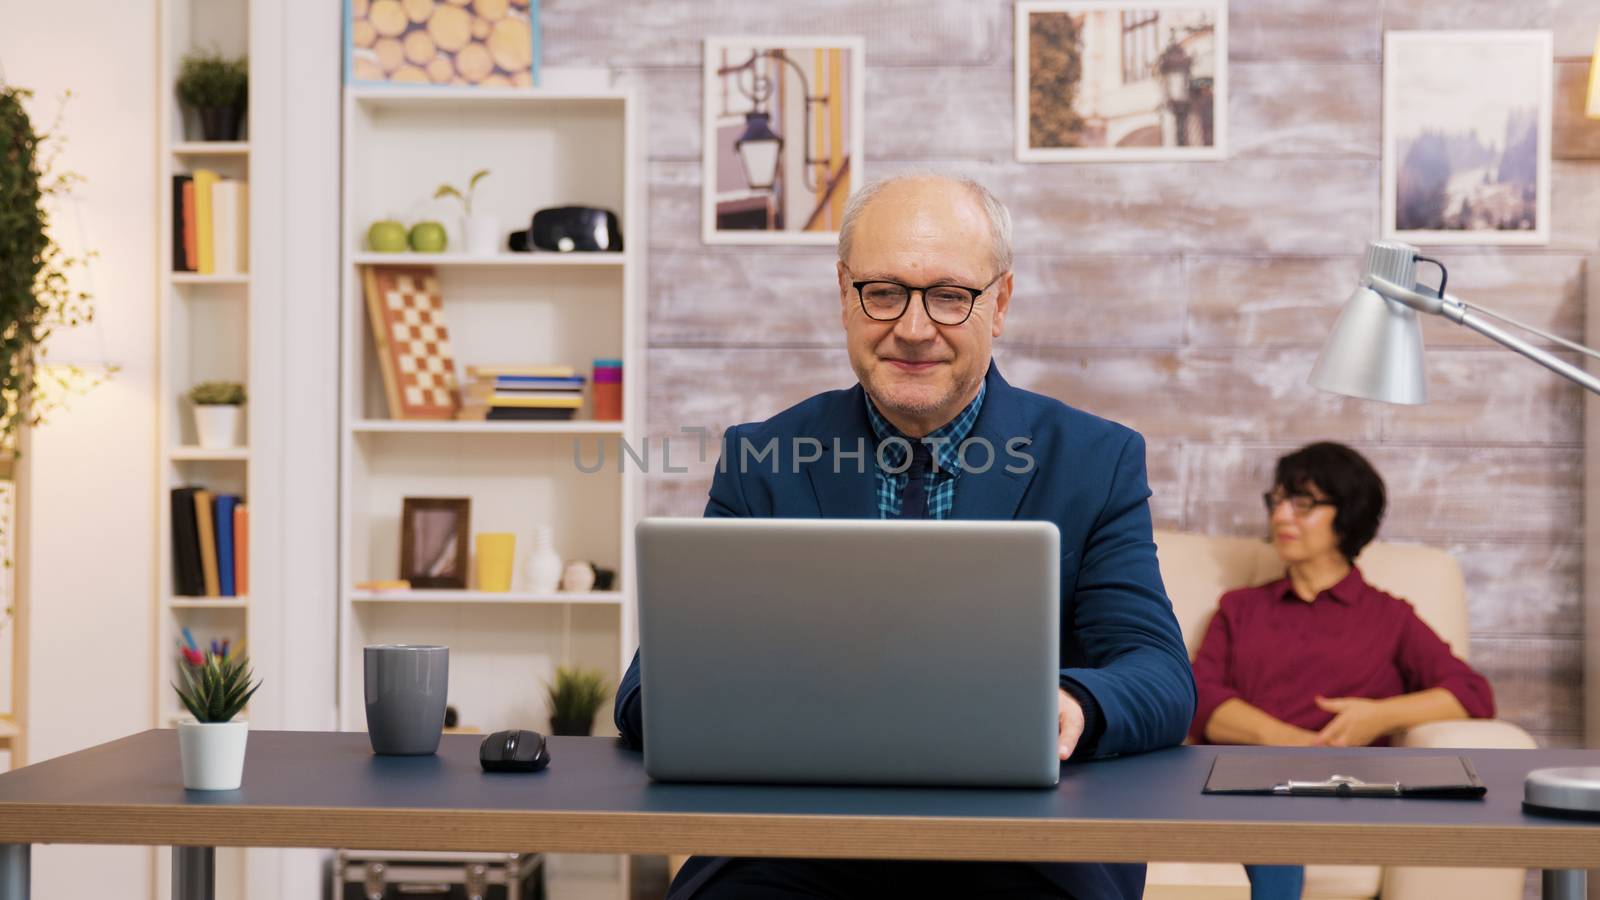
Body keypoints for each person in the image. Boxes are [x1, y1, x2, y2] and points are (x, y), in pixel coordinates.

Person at [613, 173, 1196, 900]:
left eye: (949, 296)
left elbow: (1160, 676)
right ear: (844, 294)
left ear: (1000, 303)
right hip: (795, 843)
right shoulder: (762, 457)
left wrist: (1070, 706)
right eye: (883, 291)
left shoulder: (1095, 460)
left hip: (1025, 847)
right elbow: (648, 691)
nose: (913, 329)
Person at [1189, 441, 1496, 900]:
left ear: (1347, 514)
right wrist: (1292, 743)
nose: (1281, 515)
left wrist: (1377, 717)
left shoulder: (1389, 617)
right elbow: (1199, 696)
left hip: (1339, 788)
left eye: (1303, 502)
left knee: (1279, 822)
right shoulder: (1240, 608)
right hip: (1243, 782)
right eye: (1276, 500)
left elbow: (1471, 694)